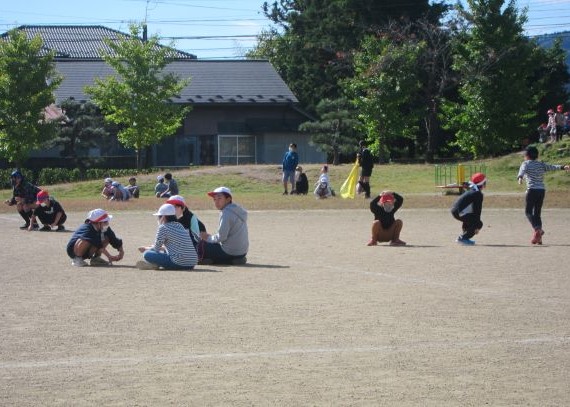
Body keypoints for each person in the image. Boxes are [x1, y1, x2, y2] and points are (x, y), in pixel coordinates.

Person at [517, 145, 569, 245]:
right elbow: (552, 167)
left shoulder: (525, 163)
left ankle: (537, 230)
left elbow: (522, 172)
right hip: (541, 191)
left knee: (528, 212)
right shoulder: (540, 164)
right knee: (537, 213)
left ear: (527, 155)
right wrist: (563, 167)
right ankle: (539, 238)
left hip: (531, 190)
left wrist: (520, 178)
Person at [136, 203, 198, 270]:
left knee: (147, 254)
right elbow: (174, 246)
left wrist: (146, 249)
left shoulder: (163, 228)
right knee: (163, 252)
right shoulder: (180, 226)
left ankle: (154, 265)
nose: (158, 218)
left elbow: (156, 248)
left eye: (159, 216)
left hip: (178, 263)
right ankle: (154, 265)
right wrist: (149, 247)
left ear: (164, 217)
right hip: (191, 264)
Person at [200, 187, 248, 265]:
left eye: (219, 198)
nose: (216, 202)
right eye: (214, 199)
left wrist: (207, 238)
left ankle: (223, 260)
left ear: (228, 199)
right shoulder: (237, 210)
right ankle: (236, 259)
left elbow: (221, 237)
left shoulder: (226, 213)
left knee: (201, 245)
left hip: (229, 252)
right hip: (242, 252)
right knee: (212, 244)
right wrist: (211, 238)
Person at [451, 172, 487, 245]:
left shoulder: (472, 189)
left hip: (455, 210)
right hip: (459, 212)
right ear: (482, 184)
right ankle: (463, 238)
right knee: (478, 223)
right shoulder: (478, 194)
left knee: (470, 219)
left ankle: (464, 236)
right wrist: (477, 226)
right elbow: (477, 210)